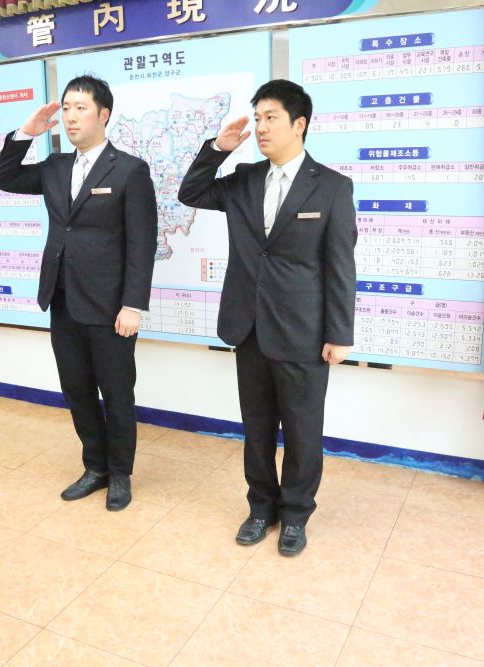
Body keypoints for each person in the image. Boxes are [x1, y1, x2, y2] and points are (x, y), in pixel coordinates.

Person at [178, 79, 357, 556]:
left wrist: (339, 333)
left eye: (271, 117)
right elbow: (190, 193)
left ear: (299, 124)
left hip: (304, 331)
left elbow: (341, 265)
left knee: (302, 432)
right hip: (249, 326)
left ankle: (295, 514)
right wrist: (218, 149)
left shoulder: (333, 187)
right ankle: (261, 508)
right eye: (257, 118)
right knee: (256, 429)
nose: (261, 126)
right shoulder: (244, 180)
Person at [0, 75, 157, 511]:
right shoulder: (55, 167)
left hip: (110, 306)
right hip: (63, 299)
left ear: (104, 114)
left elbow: (142, 243)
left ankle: (119, 473)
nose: (70, 116)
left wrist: (133, 304)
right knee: (77, 390)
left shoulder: (129, 170)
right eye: (66, 108)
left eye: (80, 107)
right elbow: (4, 178)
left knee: (117, 394)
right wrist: (25, 133)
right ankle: (95, 467)